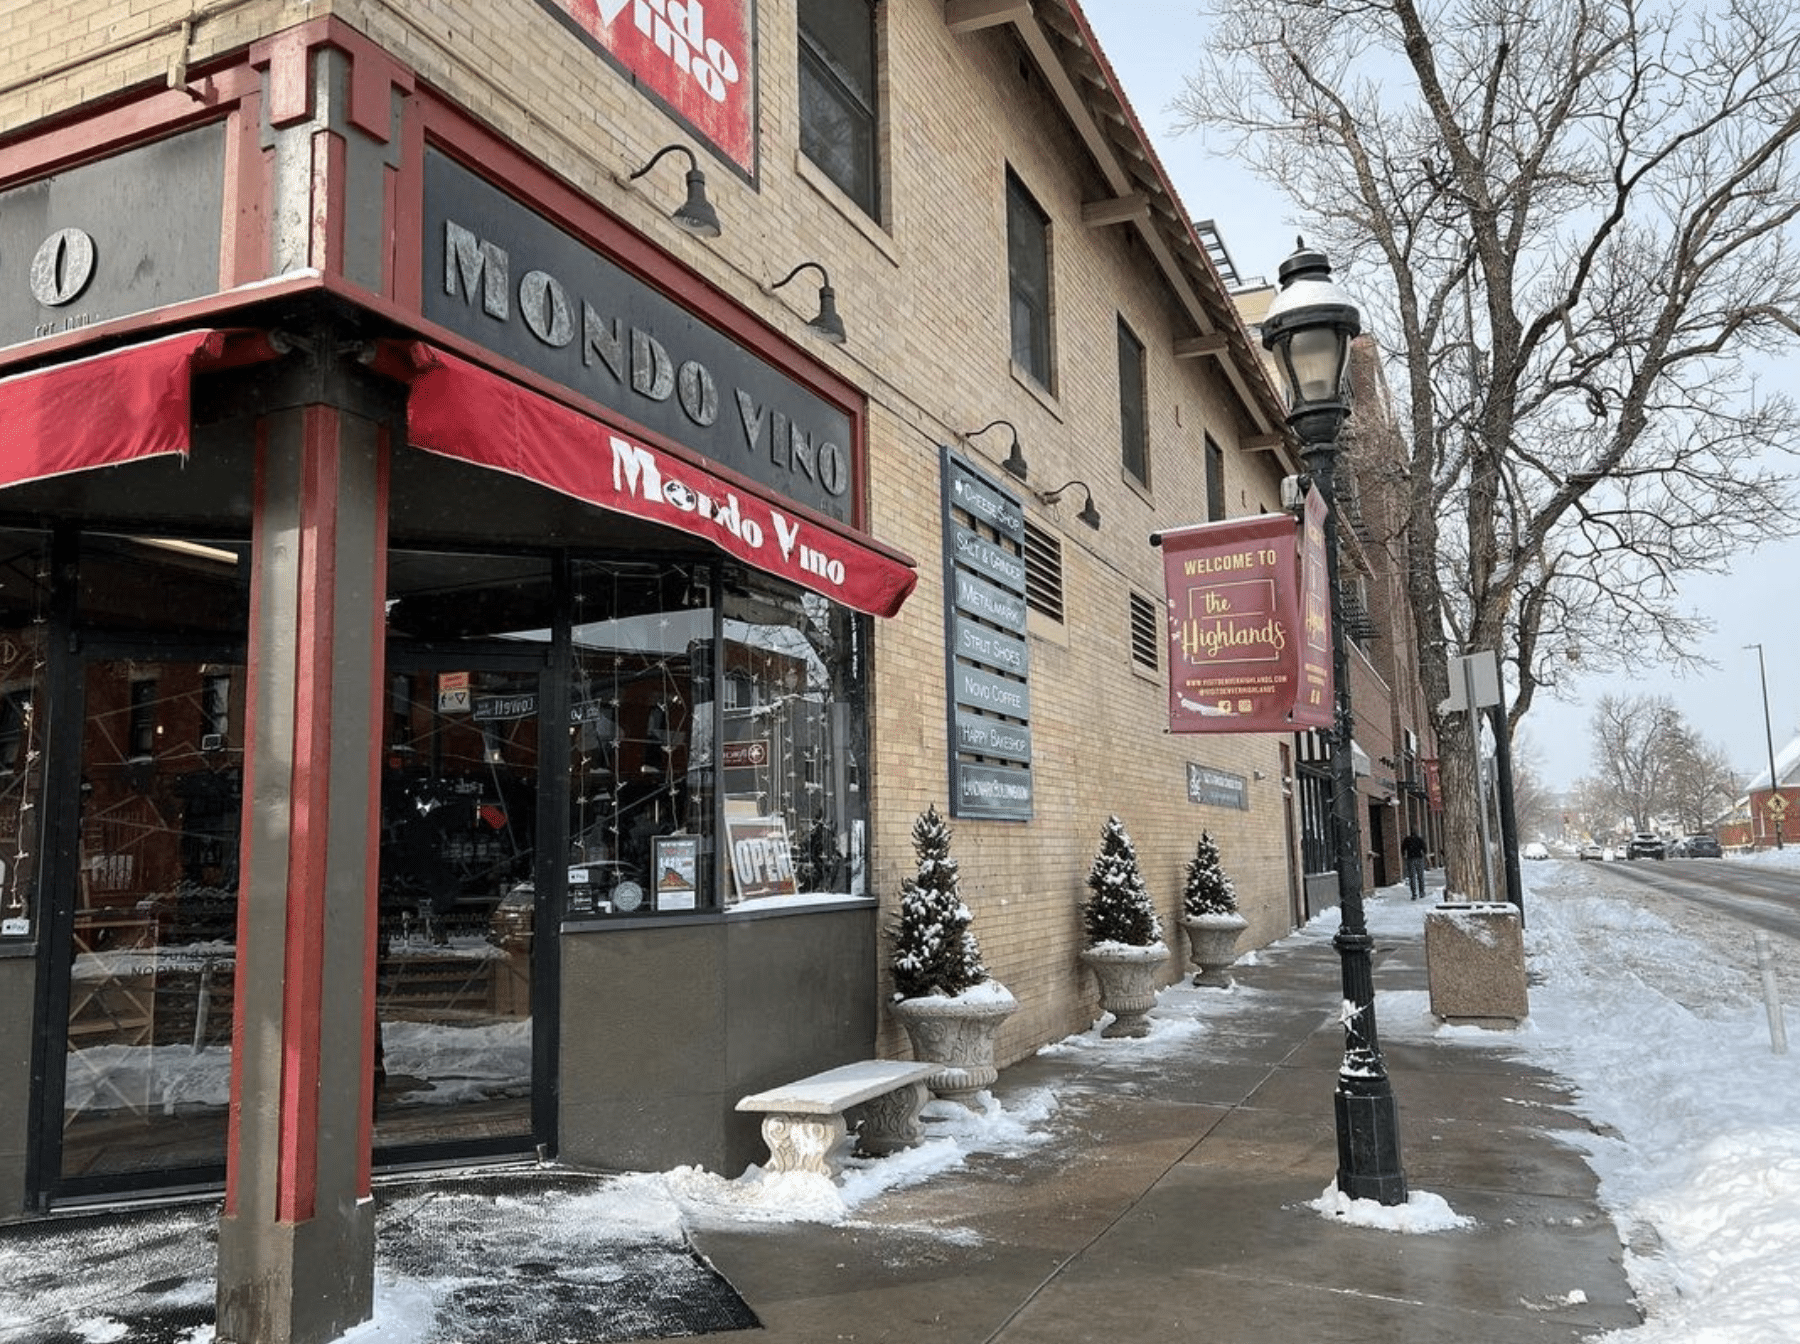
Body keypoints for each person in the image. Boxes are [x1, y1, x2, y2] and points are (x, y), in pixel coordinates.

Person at [1402, 832, 1428, 901]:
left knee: (1412, 877)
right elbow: (1424, 848)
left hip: (1410, 859)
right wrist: (1424, 854)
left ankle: (1414, 894)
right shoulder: (1419, 839)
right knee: (1420, 877)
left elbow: (1403, 848)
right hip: (1419, 858)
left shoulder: (1407, 840)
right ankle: (1421, 892)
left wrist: (1404, 855)